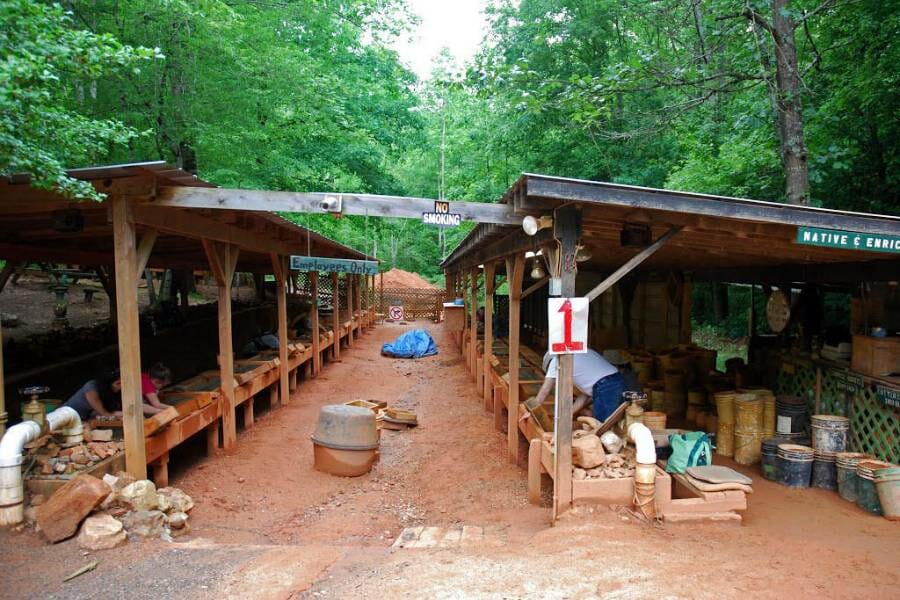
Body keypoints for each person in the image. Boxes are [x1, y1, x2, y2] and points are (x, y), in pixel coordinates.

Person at [528, 349, 625, 423]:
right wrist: (567, 416)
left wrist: (531, 411)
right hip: (616, 380)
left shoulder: (556, 361)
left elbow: (545, 391)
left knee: (603, 425)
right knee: (614, 421)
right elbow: (585, 396)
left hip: (606, 386)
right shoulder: (578, 353)